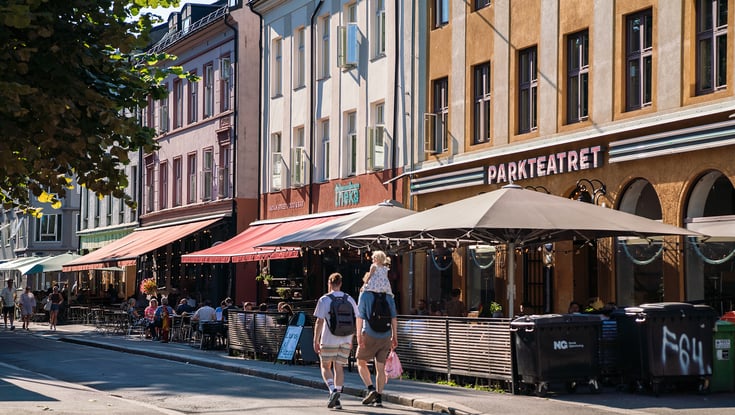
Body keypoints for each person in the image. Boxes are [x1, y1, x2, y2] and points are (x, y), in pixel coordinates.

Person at [313, 272, 359, 409]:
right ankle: (337, 397)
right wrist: (352, 339)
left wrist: (316, 340)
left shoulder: (324, 299)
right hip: (345, 339)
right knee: (339, 367)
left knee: (325, 366)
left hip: (328, 339)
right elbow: (356, 320)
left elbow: (319, 322)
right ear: (340, 283)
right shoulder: (349, 299)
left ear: (329, 283)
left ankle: (332, 391)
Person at [355, 281, 398, 408]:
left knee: (360, 362)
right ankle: (379, 398)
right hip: (385, 335)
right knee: (380, 367)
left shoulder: (365, 295)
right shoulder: (389, 296)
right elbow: (394, 317)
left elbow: (359, 316)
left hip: (369, 334)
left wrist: (358, 335)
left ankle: (371, 388)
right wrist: (394, 336)